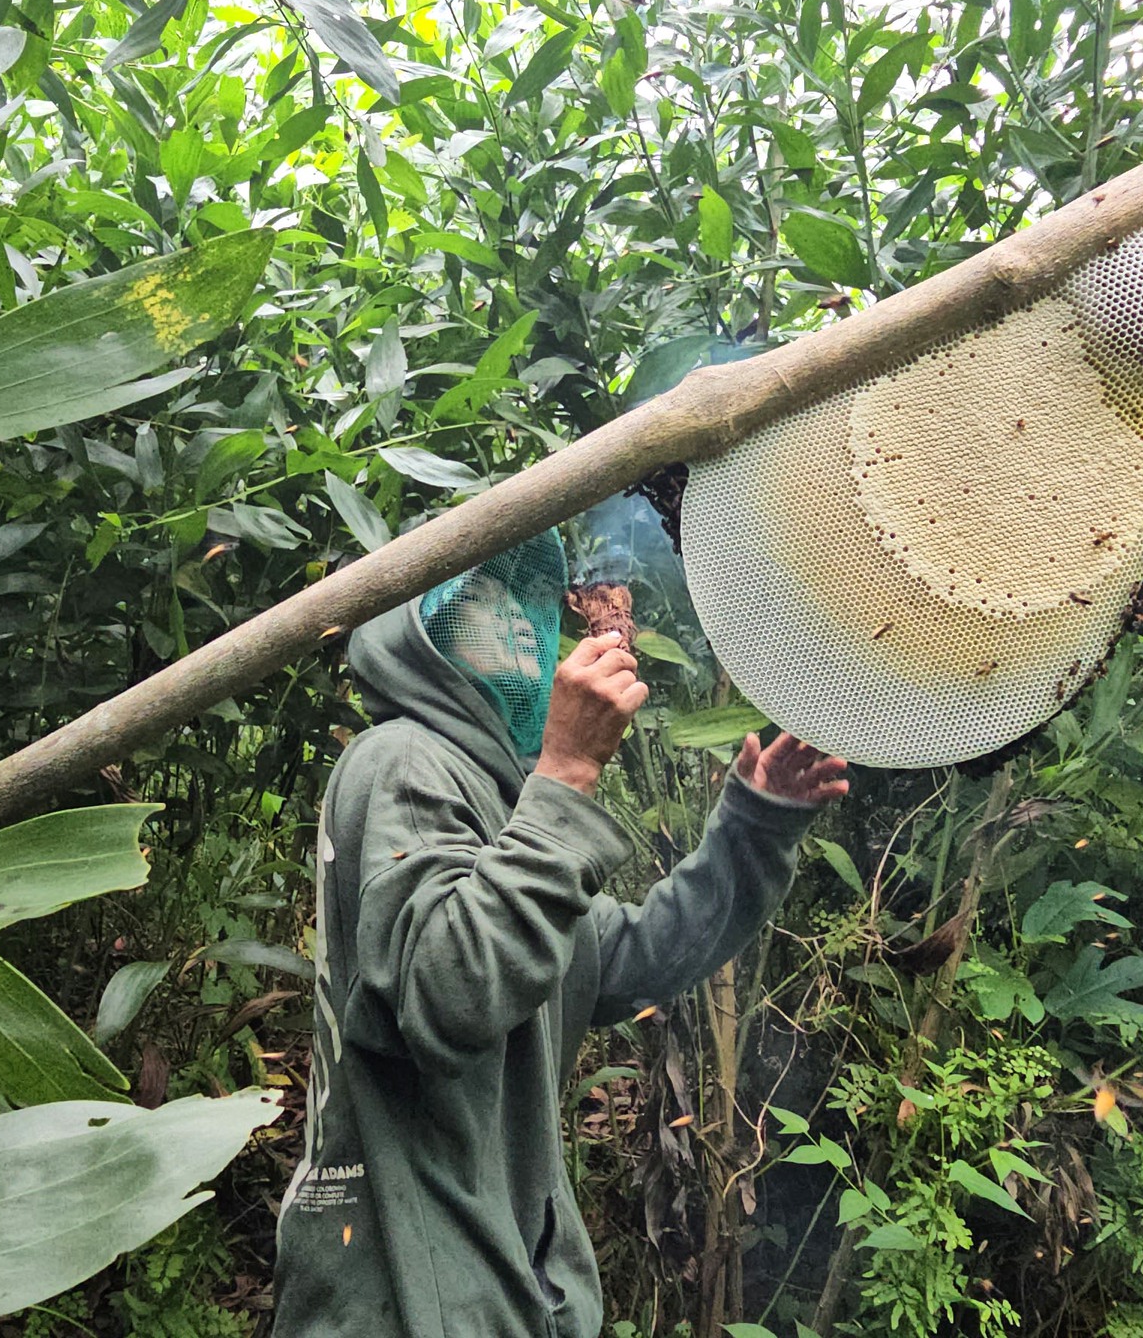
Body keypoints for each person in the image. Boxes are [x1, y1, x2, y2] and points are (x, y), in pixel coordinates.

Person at [272, 529, 851, 1337]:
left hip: (502, 1296)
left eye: (528, 609)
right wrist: (569, 771)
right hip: (408, 1300)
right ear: (420, 632)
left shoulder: (504, 803)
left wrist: (756, 822)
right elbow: (448, 989)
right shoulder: (402, 756)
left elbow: (626, 956)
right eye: (480, 604)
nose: (516, 628)